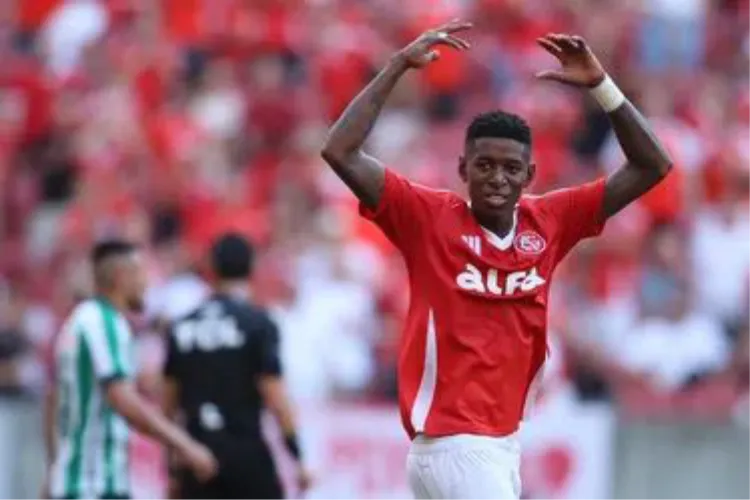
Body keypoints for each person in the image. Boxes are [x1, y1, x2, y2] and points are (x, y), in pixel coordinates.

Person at [321, 20, 672, 500]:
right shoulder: (428, 217)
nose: (497, 178)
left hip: (500, 444)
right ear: (462, 169)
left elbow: (653, 165)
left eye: (511, 168)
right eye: (484, 165)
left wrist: (602, 87)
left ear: (530, 174)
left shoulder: (551, 220)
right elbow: (339, 151)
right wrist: (396, 67)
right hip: (457, 444)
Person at [43, 240, 217, 500]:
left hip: (78, 483)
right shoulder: (105, 322)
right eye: (141, 273)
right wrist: (185, 444)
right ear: (121, 277)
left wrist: (56, 467)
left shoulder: (79, 320)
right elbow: (123, 399)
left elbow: (53, 399)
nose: (146, 284)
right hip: (94, 485)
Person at [162, 233, 311, 500]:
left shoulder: (182, 325)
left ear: (212, 268)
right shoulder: (258, 323)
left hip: (197, 457)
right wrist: (298, 457)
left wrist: (172, 471)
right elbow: (275, 395)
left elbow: (168, 407)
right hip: (246, 454)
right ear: (252, 267)